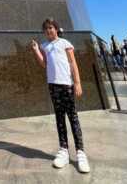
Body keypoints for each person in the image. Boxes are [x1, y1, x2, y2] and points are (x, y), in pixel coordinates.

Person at [31, 19, 90, 173]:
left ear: (56, 29)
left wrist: (77, 83)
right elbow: (44, 64)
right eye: (46, 29)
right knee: (59, 116)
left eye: (50, 28)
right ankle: (63, 150)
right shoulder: (45, 46)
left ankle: (80, 153)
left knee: (72, 116)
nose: (48, 31)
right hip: (53, 85)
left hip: (67, 84)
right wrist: (37, 50)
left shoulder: (65, 43)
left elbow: (73, 63)